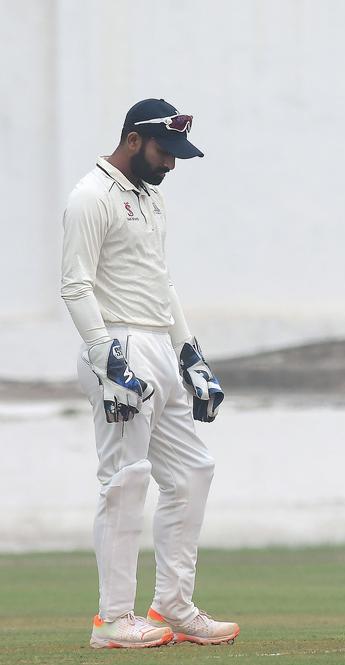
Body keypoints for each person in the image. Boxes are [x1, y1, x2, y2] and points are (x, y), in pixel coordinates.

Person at [61, 98, 238, 649]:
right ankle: (112, 619)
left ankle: (172, 606)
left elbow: (163, 285)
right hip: (120, 344)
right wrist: (104, 356)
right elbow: (75, 285)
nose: (172, 165)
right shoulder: (90, 197)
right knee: (125, 479)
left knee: (192, 473)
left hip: (159, 344)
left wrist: (192, 355)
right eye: (165, 152)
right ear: (133, 140)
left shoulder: (150, 200)